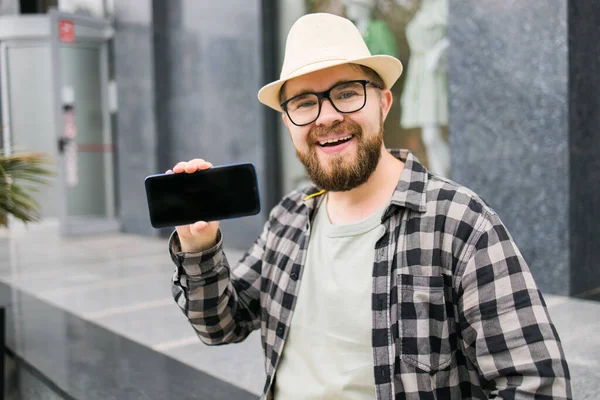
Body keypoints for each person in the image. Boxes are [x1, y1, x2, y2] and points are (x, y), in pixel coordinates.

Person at [166, 13, 572, 400]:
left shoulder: (459, 223)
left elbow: (536, 384)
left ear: (384, 103)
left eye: (346, 93)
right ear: (288, 122)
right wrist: (199, 245)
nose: (327, 117)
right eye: (304, 103)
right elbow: (221, 325)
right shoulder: (288, 217)